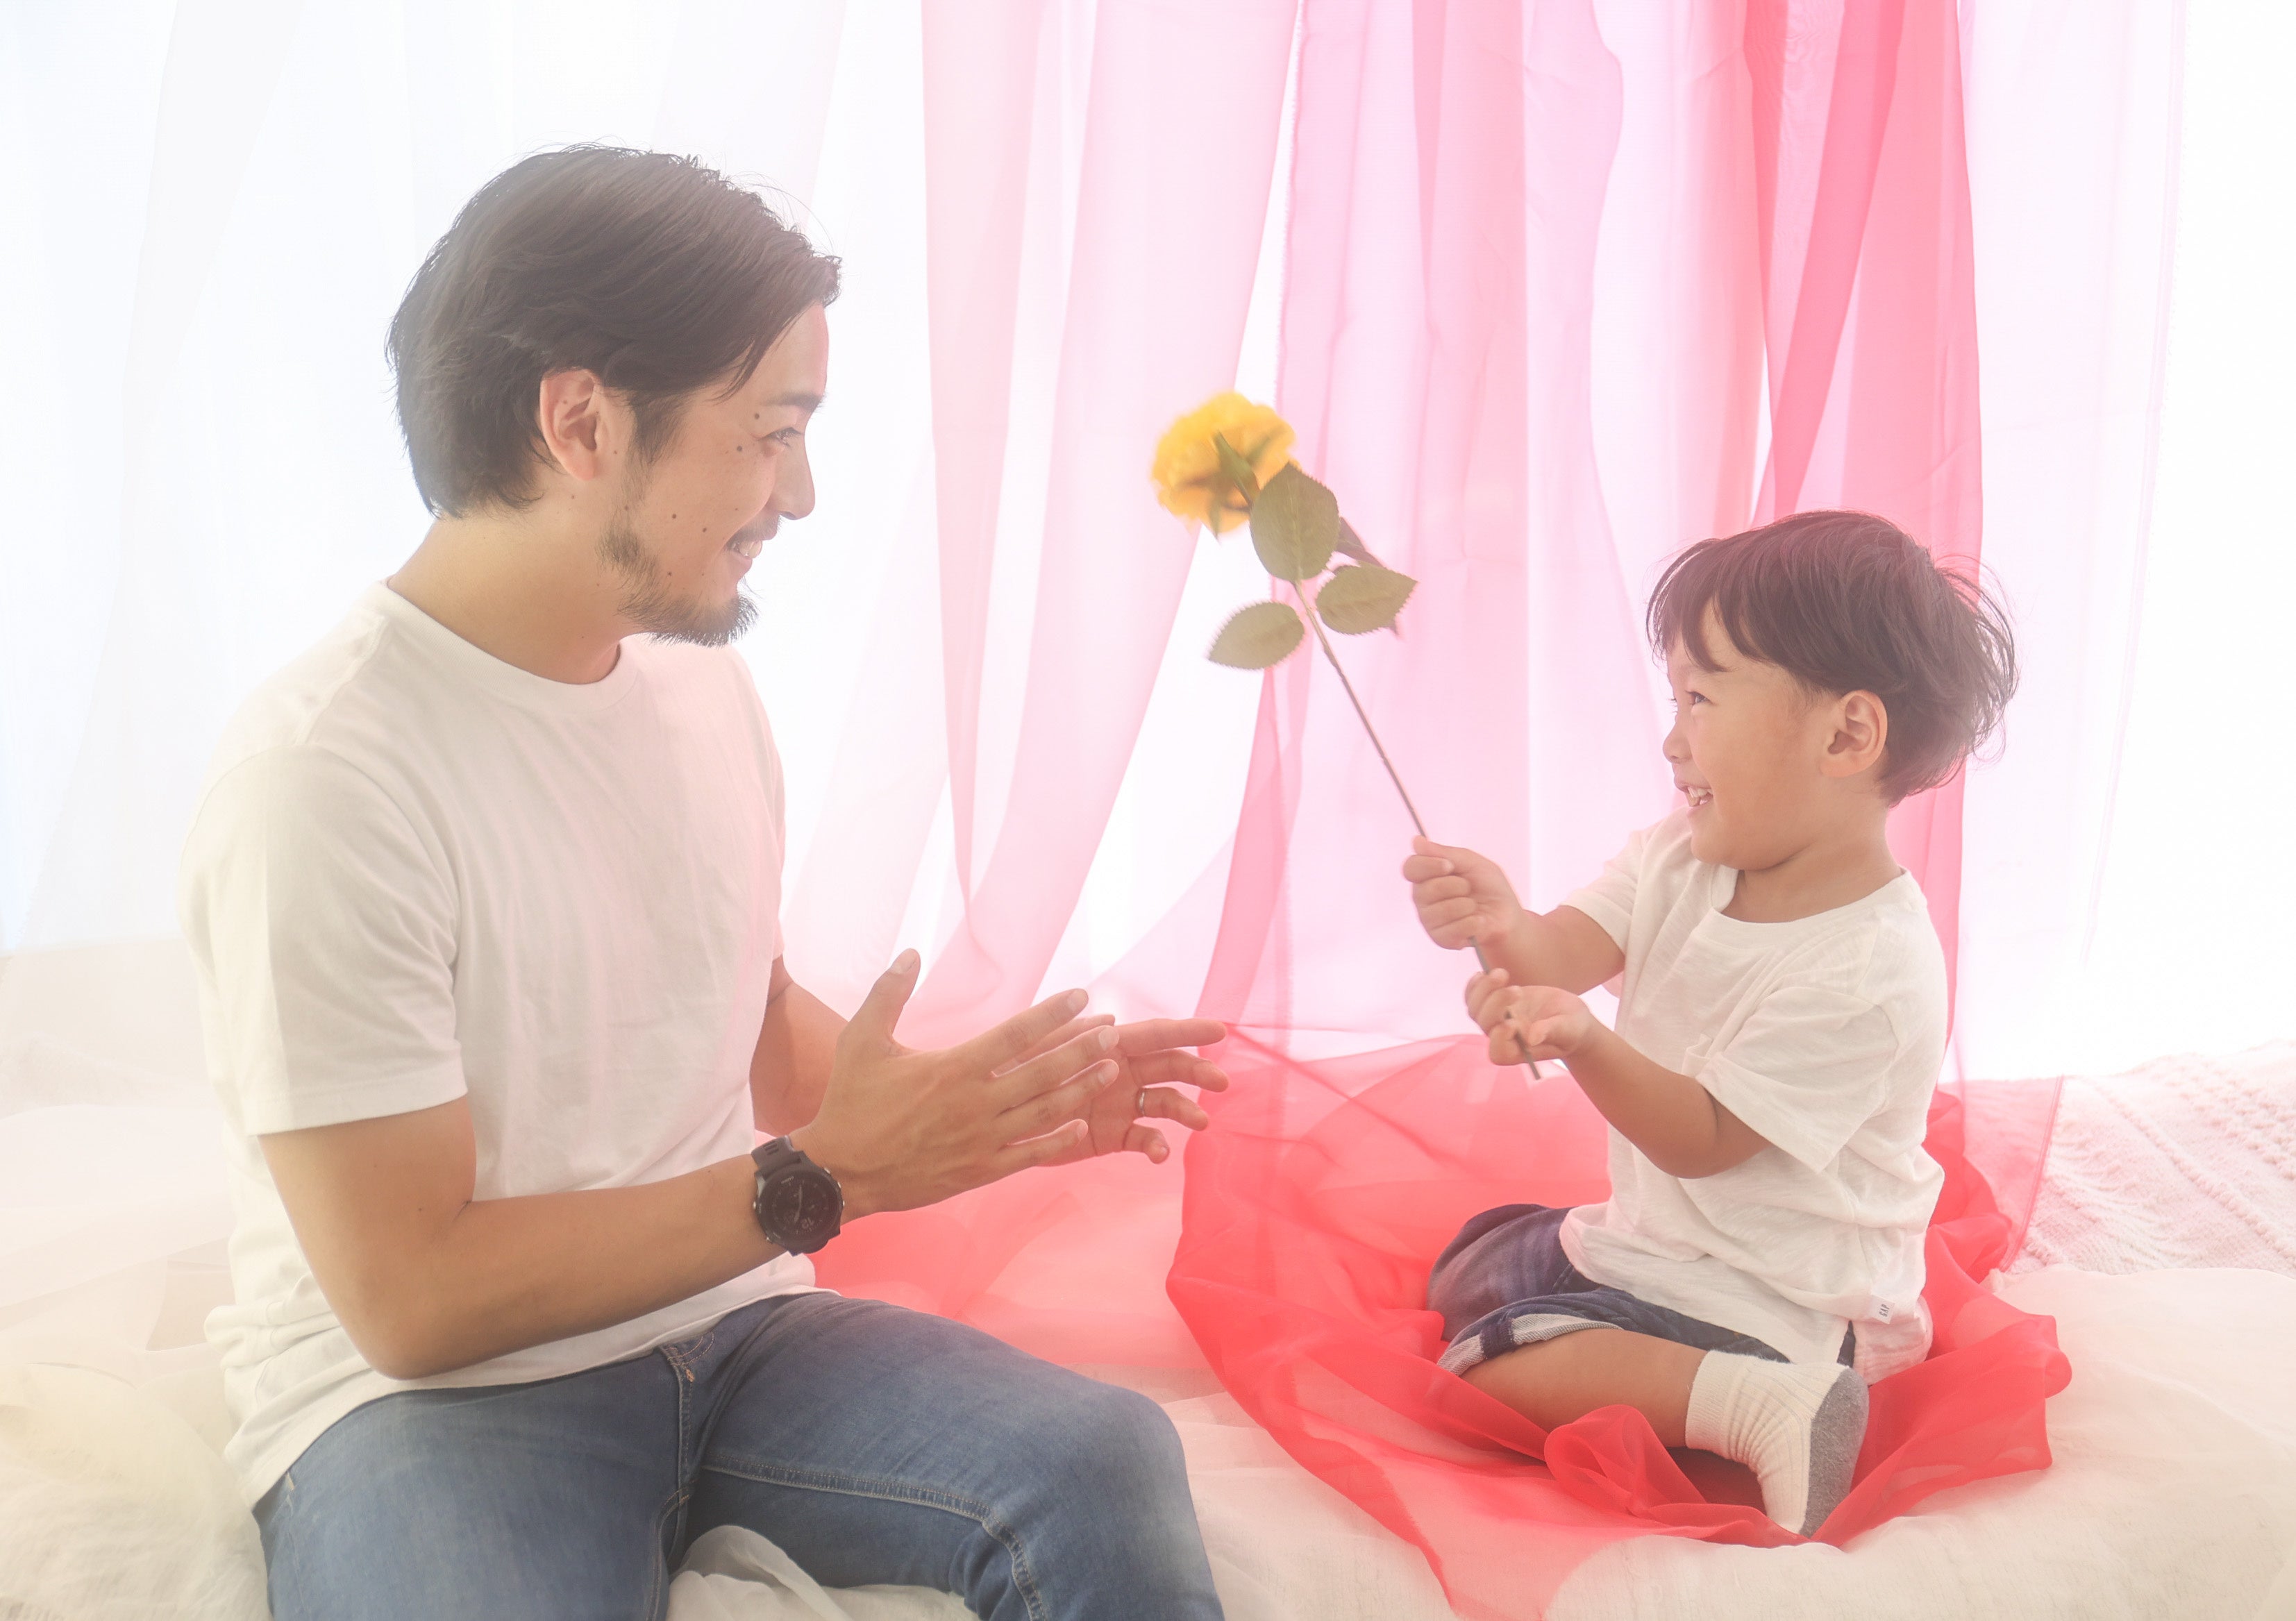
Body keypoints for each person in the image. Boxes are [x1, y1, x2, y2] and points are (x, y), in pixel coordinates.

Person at [177, 146, 1231, 1621]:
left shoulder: (697, 690)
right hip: (430, 1404)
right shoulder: (326, 777)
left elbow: (743, 1021)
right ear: (580, 422)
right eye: (770, 433)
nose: (798, 492)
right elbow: (413, 1299)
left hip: (731, 1331)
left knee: (1100, 1460)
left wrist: (989, 1106)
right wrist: (828, 1178)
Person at [1402, 512, 2016, 1537]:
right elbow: (1563, 952)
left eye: (1702, 698)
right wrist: (1505, 926)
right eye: (1673, 697)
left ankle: (1772, 1399)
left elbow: (1705, 1140)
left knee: (1483, 1369)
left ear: (1845, 736)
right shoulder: (1680, 855)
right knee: (1472, 1263)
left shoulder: (1868, 968)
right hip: (1667, 1246)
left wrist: (1584, 1041)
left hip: (1780, 1297)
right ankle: (1644, 1352)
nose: (1673, 737)